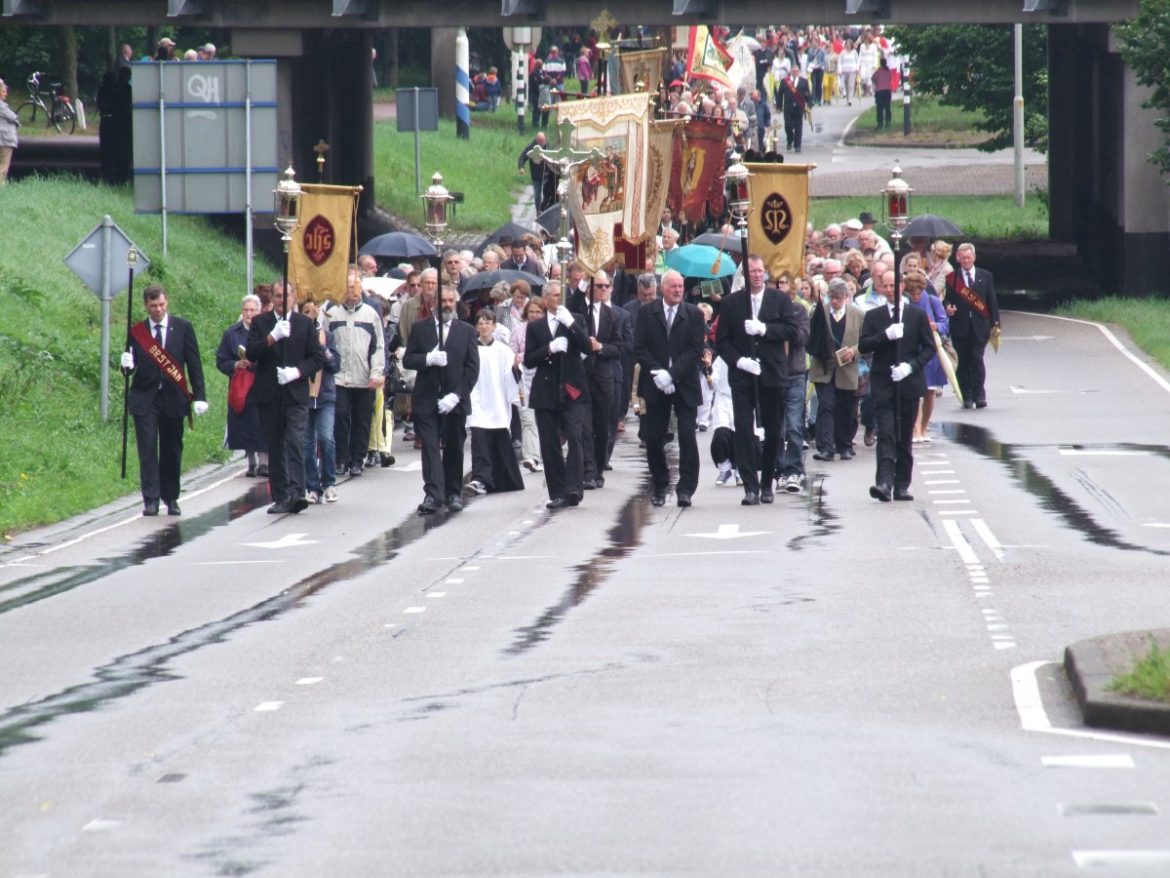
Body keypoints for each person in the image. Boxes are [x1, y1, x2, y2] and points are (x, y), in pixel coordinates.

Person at [714, 255, 800, 505]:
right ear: (745, 275)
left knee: (773, 430)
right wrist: (738, 360)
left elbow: (792, 330)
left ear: (765, 273)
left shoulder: (780, 299)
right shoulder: (731, 303)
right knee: (742, 428)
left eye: (760, 270)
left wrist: (765, 329)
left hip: (771, 373)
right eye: (751, 271)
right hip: (742, 374)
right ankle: (750, 486)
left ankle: (767, 484)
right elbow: (722, 341)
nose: (756, 274)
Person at [120, 284, 209, 516]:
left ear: (166, 302)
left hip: (174, 397)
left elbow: (194, 364)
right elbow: (129, 367)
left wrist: (200, 396)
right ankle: (150, 499)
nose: (158, 309)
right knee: (147, 449)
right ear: (146, 306)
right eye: (153, 306)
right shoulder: (137, 331)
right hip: (145, 398)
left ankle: (171, 498)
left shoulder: (183, 328)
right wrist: (126, 365)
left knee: (172, 449)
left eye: (161, 304)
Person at [245, 280, 326, 515]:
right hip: (270, 393)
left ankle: (297, 491)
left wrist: (297, 371)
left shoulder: (304, 323)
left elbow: (317, 358)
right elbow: (251, 353)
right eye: (278, 296)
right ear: (273, 298)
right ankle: (281, 495)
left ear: (294, 297)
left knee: (294, 440)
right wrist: (272, 337)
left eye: (286, 295)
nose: (282, 300)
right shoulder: (261, 322)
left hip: (295, 392)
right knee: (276, 444)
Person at [858, 271, 938, 503]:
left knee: (903, 435)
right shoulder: (874, 316)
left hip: (909, 383)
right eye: (885, 285)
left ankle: (902, 484)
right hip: (883, 382)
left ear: (901, 286)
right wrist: (886, 335)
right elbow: (864, 345)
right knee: (886, 432)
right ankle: (884, 482)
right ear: (880, 288)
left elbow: (929, 347)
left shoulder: (917, 315)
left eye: (894, 285)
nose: (891, 289)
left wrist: (910, 367)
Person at [402, 285, 480, 514]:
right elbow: (408, 360)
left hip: (454, 400)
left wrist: (456, 396)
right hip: (427, 399)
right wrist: (428, 359)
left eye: (450, 301)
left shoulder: (465, 331)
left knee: (454, 447)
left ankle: (453, 492)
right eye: (442, 301)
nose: (446, 305)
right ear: (433, 303)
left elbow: (472, 369)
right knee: (430, 447)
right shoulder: (420, 329)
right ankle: (433, 494)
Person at [635, 269, 705, 507]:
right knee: (653, 438)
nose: (677, 291)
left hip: (684, 383)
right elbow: (640, 347)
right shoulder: (646, 312)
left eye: (680, 287)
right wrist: (658, 374)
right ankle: (660, 484)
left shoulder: (694, 314)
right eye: (673, 286)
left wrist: (671, 375)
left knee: (686, 436)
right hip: (655, 383)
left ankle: (685, 488)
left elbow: (695, 350)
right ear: (662, 288)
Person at [524, 282, 590, 510]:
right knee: (549, 442)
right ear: (544, 300)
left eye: (561, 295)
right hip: (546, 390)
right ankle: (558, 492)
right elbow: (529, 359)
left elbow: (587, 347)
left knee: (574, 434)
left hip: (572, 388)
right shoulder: (536, 327)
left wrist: (570, 324)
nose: (558, 299)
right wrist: (549, 348)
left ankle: (574, 487)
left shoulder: (575, 320)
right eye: (553, 295)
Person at [326, 268, 386, 478]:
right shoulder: (332, 314)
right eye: (349, 286)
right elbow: (324, 340)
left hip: (364, 376)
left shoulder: (370, 315)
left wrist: (376, 371)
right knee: (340, 416)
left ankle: (358, 459)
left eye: (356, 286)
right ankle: (341, 458)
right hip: (340, 376)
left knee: (362, 419)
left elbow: (378, 345)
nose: (353, 291)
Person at [467, 311, 524, 495]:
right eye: (480, 323)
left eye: (487, 323)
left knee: (498, 439)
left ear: (494, 326)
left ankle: (501, 478)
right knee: (479, 438)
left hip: (497, 399)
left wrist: (515, 367)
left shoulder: (503, 350)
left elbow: (511, 374)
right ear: (476, 327)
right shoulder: (470, 349)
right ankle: (480, 478)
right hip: (476, 399)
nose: (484, 326)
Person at [808, 278, 864, 463]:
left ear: (847, 297)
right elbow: (810, 338)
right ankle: (825, 447)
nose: (834, 301)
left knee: (846, 408)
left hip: (847, 369)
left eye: (838, 298)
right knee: (826, 405)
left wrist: (854, 352)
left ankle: (844, 446)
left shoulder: (858, 314)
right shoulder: (819, 312)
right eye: (832, 297)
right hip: (823, 367)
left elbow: (866, 341)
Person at [582, 270, 627, 489]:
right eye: (597, 286)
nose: (601, 290)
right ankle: (586, 470)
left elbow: (619, 347)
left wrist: (600, 347)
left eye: (605, 286)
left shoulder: (613, 316)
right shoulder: (581, 310)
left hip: (603, 378)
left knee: (602, 427)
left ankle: (598, 469)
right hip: (581, 377)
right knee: (583, 427)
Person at [215, 294, 268, 478]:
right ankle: (251, 462)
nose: (249, 314)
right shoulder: (232, 334)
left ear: (259, 311)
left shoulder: (267, 331)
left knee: (262, 422)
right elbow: (221, 360)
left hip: (261, 383)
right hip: (241, 385)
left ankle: (265, 462)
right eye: (246, 310)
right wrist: (236, 365)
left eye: (253, 310)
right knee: (245, 423)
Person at [945, 243, 1000, 409]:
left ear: (974, 257)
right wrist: (947, 307)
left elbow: (992, 301)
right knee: (963, 362)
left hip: (980, 326)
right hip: (960, 327)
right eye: (963, 258)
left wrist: (996, 323)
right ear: (958, 259)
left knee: (977, 359)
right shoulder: (952, 278)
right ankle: (966, 395)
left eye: (969, 258)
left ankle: (979, 394)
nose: (966, 261)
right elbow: (947, 299)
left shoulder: (986, 276)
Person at [299, 300, 341, 504]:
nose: (310, 315)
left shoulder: (327, 335)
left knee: (326, 438)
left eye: (312, 312)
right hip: (304, 397)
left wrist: (323, 349)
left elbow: (335, 365)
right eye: (305, 312)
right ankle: (312, 486)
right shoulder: (295, 337)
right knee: (307, 443)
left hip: (325, 396)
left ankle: (329, 483)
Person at [901, 270, 949, 443]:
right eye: (911, 292)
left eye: (918, 292)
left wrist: (935, 326)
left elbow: (945, 323)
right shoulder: (904, 303)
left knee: (930, 392)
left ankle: (923, 428)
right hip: (912, 351)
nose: (915, 296)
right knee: (915, 393)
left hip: (931, 352)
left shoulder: (933, 301)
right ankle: (914, 430)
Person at [775, 66, 811, 153]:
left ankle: (797, 145)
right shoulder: (784, 81)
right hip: (788, 107)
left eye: (796, 71)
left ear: (798, 72)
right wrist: (779, 106)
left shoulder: (804, 81)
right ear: (791, 71)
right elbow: (779, 94)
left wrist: (809, 104)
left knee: (798, 127)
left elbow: (808, 94)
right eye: (793, 71)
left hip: (799, 107)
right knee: (788, 125)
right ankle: (790, 140)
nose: (795, 72)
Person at [0, 78, 19, 185]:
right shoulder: (1, 106)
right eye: (3, 91)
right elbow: (13, 117)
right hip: (4, 140)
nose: (5, 94)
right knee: (3, 166)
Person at [872, 56, 893, 131]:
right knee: (888, 108)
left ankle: (880, 124)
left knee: (879, 109)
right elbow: (890, 78)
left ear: (880, 63)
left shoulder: (878, 71)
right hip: (887, 91)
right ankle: (888, 122)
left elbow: (873, 78)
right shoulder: (888, 71)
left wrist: (877, 83)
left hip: (879, 91)